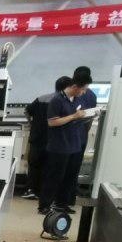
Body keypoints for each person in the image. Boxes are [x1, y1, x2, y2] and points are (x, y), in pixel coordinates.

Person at [39, 75, 91, 215]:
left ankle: (61, 204)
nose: (84, 92)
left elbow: (76, 118)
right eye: (83, 89)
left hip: (74, 143)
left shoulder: (77, 99)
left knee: (69, 177)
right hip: (59, 145)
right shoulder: (57, 100)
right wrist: (74, 116)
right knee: (54, 176)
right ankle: (44, 205)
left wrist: (86, 116)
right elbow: (52, 122)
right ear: (75, 87)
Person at [24, 76, 70, 201]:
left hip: (37, 138)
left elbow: (27, 111)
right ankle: (45, 193)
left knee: (34, 165)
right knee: (51, 167)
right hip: (54, 140)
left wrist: (31, 124)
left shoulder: (41, 98)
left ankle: (31, 190)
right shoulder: (65, 102)